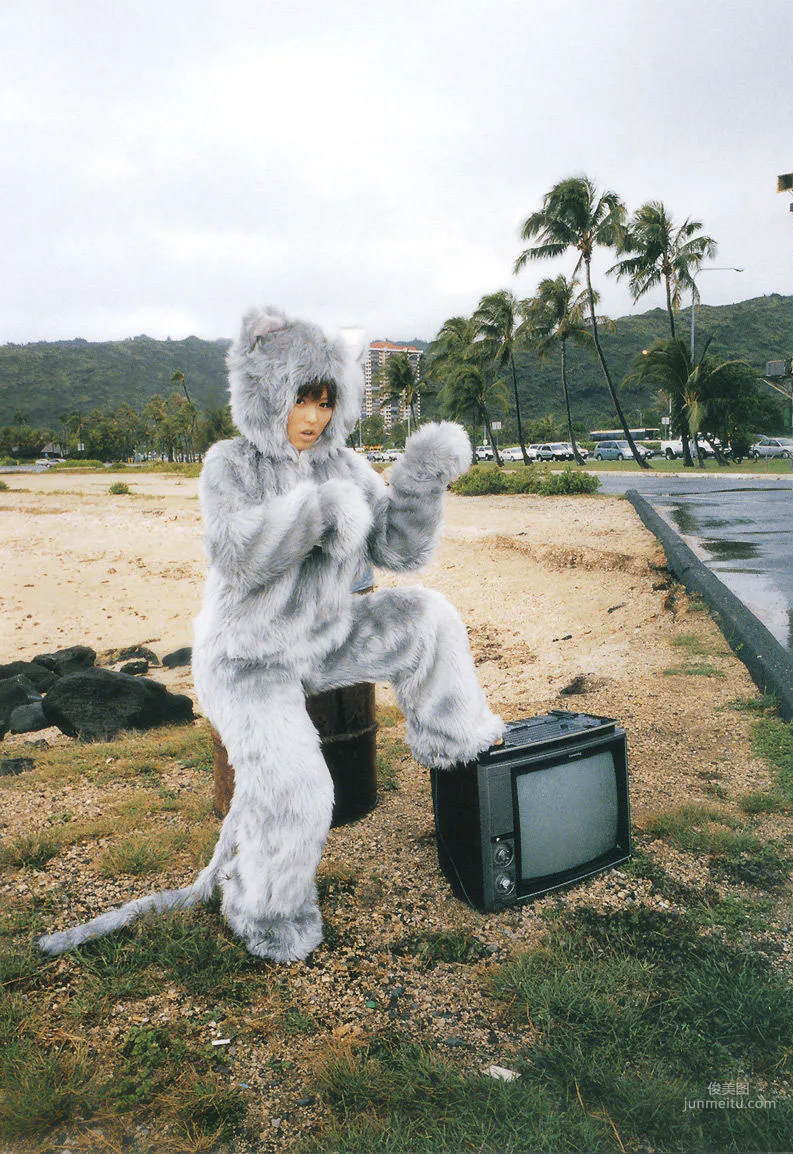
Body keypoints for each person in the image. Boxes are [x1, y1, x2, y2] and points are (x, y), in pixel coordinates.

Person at [37, 306, 503, 964]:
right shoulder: (230, 463)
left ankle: (457, 736)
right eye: (298, 400)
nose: (311, 417)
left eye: (323, 400)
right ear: (266, 396)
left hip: (319, 637)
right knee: (298, 788)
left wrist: (419, 483)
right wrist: (314, 515)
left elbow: (397, 550)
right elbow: (235, 552)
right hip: (245, 659)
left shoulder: (345, 465)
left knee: (428, 616)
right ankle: (264, 913)